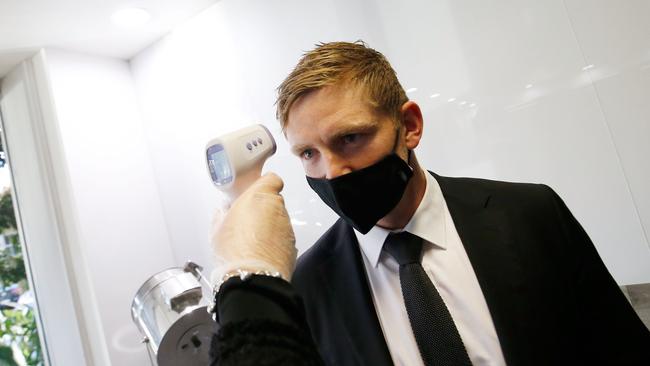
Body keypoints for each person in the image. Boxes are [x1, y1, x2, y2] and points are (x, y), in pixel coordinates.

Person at [210, 41, 649, 366]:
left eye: (350, 138)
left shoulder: (529, 214)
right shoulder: (307, 284)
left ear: (409, 125)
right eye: (309, 153)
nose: (333, 171)